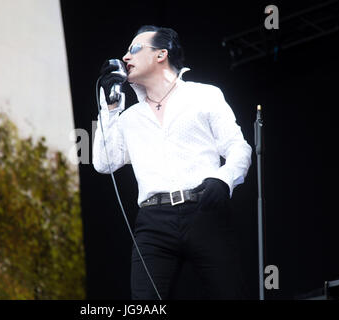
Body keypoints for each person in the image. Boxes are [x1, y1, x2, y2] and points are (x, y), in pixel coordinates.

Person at [93, 25, 252, 299]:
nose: (125, 58)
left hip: (204, 209)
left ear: (161, 55)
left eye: (134, 49)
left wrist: (223, 180)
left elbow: (239, 147)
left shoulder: (204, 95)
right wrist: (110, 108)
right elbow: (104, 163)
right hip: (153, 221)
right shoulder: (129, 117)